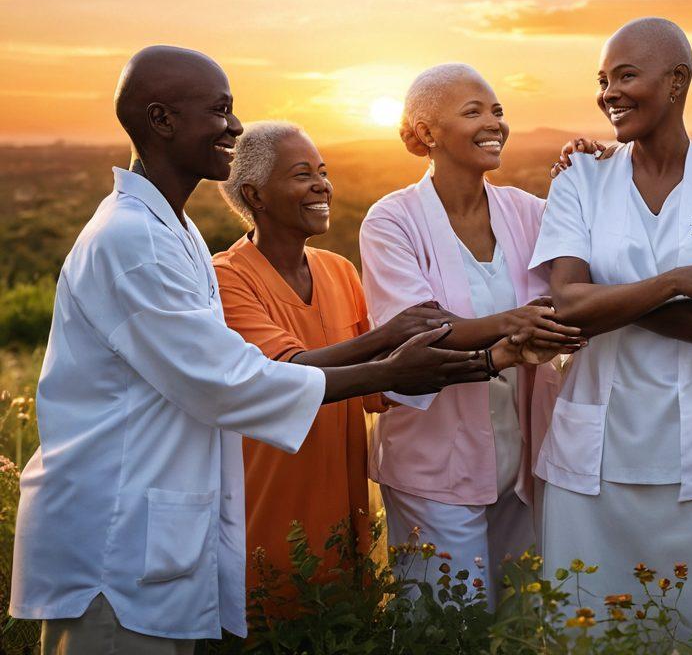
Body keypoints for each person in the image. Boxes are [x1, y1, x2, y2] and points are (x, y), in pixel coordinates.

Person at [8, 46, 491, 653]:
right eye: (219, 109)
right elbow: (230, 381)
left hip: (157, 539)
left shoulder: (173, 231)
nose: (236, 127)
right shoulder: (132, 241)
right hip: (117, 542)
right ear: (161, 120)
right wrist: (391, 363)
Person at [530, 18, 692, 634]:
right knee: (590, 625)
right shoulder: (581, 179)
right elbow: (565, 304)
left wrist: (609, 301)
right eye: (603, 80)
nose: (609, 92)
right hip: (598, 454)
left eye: (626, 75)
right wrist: (677, 282)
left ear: (677, 80)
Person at [359, 64, 584, 608]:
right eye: (473, 111)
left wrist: (594, 174)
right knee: (451, 623)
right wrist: (514, 324)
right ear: (426, 132)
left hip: (521, 457)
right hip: (436, 464)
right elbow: (418, 330)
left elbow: (581, 285)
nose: (494, 123)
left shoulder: (529, 212)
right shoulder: (391, 221)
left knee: (518, 624)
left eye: (498, 110)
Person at [214, 121, 453, 598]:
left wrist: (482, 350)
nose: (322, 184)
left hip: (345, 511)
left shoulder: (338, 270)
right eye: (303, 174)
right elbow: (286, 372)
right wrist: (390, 336)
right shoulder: (225, 278)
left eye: (323, 171)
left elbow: (375, 386)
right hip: (270, 504)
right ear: (255, 196)